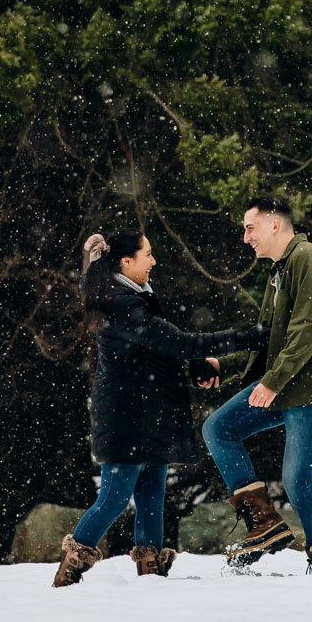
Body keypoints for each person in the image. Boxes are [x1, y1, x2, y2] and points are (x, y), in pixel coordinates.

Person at [53, 231, 264, 587]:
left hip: (148, 414)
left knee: (152, 495)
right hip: (125, 418)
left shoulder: (134, 297)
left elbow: (162, 347)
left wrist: (197, 362)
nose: (153, 261)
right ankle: (68, 574)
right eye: (147, 254)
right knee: (114, 498)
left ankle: (152, 576)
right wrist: (250, 336)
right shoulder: (122, 304)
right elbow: (175, 341)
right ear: (125, 262)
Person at [203, 196, 312, 574]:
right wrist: (221, 365)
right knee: (218, 428)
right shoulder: (281, 270)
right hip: (289, 384)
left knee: (297, 480)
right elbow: (270, 340)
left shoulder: (308, 257)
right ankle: (264, 523)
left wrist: (272, 382)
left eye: (250, 228)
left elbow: (311, 327)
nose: (246, 238)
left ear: (275, 225)